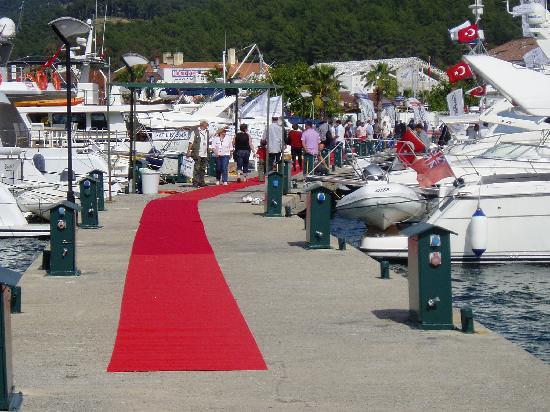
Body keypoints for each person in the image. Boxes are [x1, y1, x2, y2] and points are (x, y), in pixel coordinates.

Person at [186, 119, 210, 187]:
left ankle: (201, 181)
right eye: (206, 124)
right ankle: (195, 182)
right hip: (197, 153)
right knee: (197, 168)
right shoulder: (195, 132)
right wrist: (188, 151)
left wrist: (223, 128)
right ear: (203, 124)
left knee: (203, 168)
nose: (207, 125)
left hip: (205, 153)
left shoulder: (207, 132)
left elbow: (216, 132)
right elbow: (191, 142)